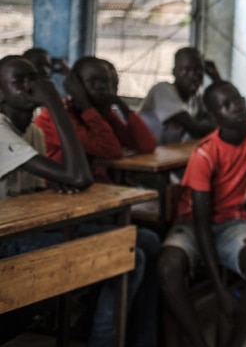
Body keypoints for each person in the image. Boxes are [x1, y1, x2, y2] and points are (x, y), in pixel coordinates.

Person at [0, 55, 152, 347]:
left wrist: (60, 180)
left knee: (142, 242)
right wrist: (54, 102)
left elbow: (59, 184)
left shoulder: (31, 132)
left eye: (35, 80)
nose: (31, 87)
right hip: (6, 241)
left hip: (28, 230)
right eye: (19, 82)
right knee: (128, 254)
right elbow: (80, 176)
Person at [157, 80, 246, 347]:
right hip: (194, 224)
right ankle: (198, 341)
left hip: (232, 221)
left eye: (239, 101)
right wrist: (219, 291)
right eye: (226, 105)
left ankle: (235, 343)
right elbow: (200, 221)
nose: (237, 108)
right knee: (168, 265)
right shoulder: (205, 153)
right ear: (213, 116)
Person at [33, 56, 157, 183]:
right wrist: (85, 104)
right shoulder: (57, 114)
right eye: (92, 81)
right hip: (55, 188)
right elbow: (111, 150)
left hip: (85, 185)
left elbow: (147, 145)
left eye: (106, 81)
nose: (101, 86)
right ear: (76, 86)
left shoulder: (101, 114)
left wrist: (120, 104)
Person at [138, 47, 219, 145]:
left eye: (199, 70)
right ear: (174, 72)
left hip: (164, 157)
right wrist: (228, 128)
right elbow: (195, 129)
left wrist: (216, 79)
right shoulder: (162, 90)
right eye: (187, 70)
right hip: (140, 156)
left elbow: (222, 116)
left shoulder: (195, 101)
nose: (194, 76)